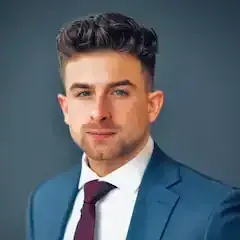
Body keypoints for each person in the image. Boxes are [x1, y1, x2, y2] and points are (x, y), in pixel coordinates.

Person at [26, 12, 239, 240]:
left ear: (152, 106)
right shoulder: (43, 202)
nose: (99, 113)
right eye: (84, 93)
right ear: (65, 108)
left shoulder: (214, 213)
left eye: (119, 92)